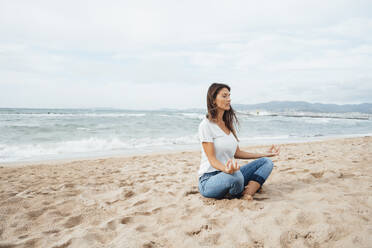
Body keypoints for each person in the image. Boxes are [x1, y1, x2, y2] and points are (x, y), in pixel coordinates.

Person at [198, 83, 280, 200]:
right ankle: (241, 188)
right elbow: (212, 160)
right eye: (224, 96)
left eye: (229, 96)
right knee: (236, 176)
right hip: (209, 180)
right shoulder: (206, 125)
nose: (229, 99)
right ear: (214, 100)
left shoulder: (227, 125)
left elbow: (237, 153)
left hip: (230, 173)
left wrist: (264, 154)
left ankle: (248, 192)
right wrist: (227, 170)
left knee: (266, 162)